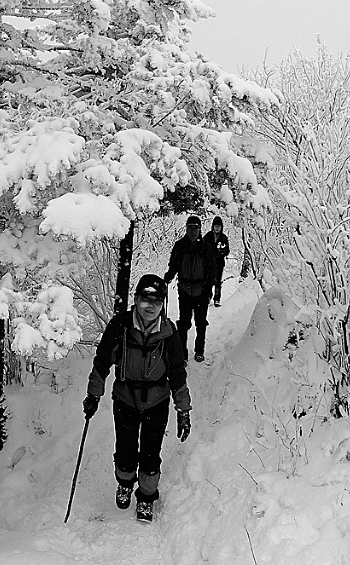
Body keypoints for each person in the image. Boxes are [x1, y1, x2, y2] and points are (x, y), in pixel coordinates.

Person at [82, 274, 192, 523]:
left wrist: (183, 410)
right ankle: (124, 483)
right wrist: (93, 395)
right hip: (125, 398)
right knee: (125, 451)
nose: (150, 306)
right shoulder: (120, 327)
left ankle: (146, 497)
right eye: (145, 299)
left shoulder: (169, 333)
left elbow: (177, 373)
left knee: (151, 454)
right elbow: (102, 362)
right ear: (136, 299)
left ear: (163, 304)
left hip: (157, 400)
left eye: (156, 301)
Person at [164, 215, 210, 362]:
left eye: (196, 228)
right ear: (186, 228)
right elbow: (174, 265)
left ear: (200, 229)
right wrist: (168, 277)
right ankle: (182, 354)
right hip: (184, 290)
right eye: (190, 228)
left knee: (200, 323)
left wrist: (209, 289)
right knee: (183, 324)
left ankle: (199, 351)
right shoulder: (180, 246)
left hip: (201, 291)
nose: (193, 231)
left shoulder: (206, 247)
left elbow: (212, 270)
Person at [203, 216, 230, 307]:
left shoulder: (223, 238)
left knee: (218, 281)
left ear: (221, 227)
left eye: (219, 226)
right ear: (213, 226)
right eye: (215, 226)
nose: (217, 228)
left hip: (219, 263)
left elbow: (227, 251)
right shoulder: (208, 236)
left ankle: (217, 299)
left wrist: (221, 251)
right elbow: (202, 247)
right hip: (208, 263)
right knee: (208, 281)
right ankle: (207, 297)